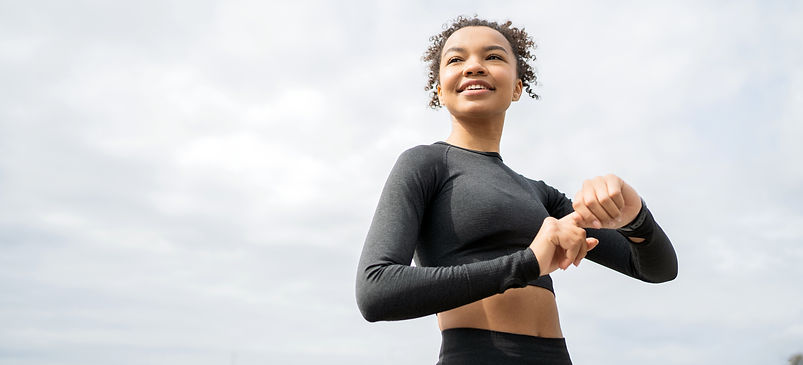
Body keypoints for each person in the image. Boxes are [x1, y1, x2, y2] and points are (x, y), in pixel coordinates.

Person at [355, 16, 678, 365]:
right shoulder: (425, 164)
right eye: (455, 59)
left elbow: (656, 269)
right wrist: (527, 263)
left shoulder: (540, 196)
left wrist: (635, 216)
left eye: (493, 57)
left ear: (517, 87)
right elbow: (376, 290)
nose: (474, 66)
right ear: (439, 90)